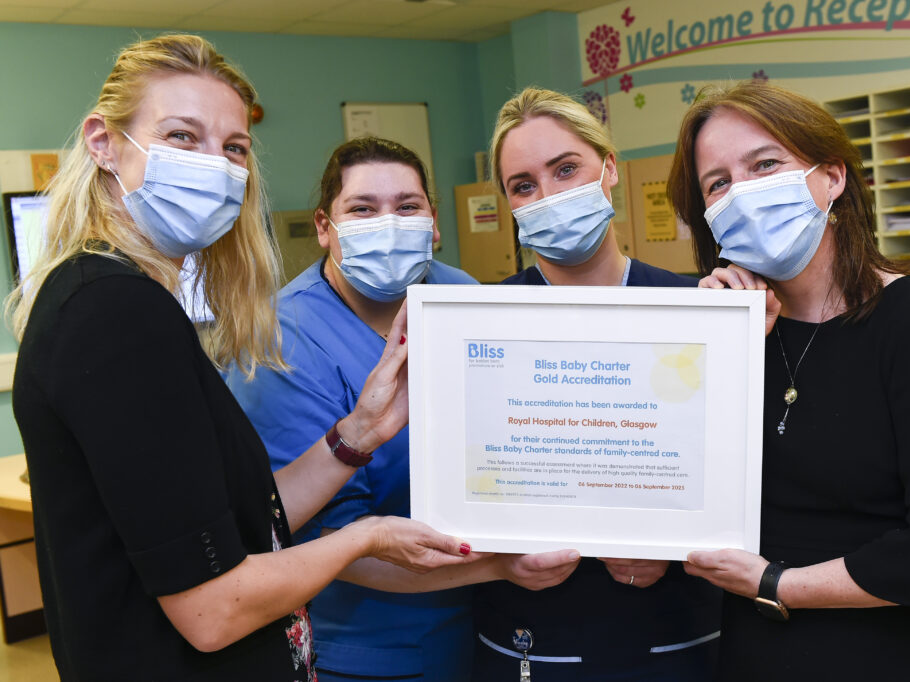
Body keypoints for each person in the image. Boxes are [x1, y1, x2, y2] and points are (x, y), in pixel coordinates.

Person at [7, 34, 478, 682]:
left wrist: (356, 436)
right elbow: (213, 610)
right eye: (182, 137)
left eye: (234, 148)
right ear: (104, 142)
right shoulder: (116, 314)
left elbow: (225, 517)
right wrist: (363, 537)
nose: (215, 166)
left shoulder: (119, 296)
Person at [666, 80, 910, 680]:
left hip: (899, 653)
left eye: (766, 164)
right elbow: (679, 494)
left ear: (832, 177)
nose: (745, 192)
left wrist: (777, 582)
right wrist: (720, 354)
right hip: (760, 652)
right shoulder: (732, 333)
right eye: (719, 182)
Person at [225, 136, 580, 681]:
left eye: (407, 207)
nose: (388, 223)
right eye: (363, 209)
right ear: (325, 226)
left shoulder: (457, 293)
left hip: (493, 625)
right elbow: (325, 541)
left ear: (434, 222)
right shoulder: (279, 342)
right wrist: (497, 566)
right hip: (373, 647)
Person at [471, 87, 722, 681]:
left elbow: (742, 477)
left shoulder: (699, 308)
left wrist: (670, 542)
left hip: (681, 636)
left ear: (609, 168)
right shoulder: (481, 325)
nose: (549, 195)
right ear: (507, 203)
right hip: (532, 641)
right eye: (523, 185)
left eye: (566, 169)